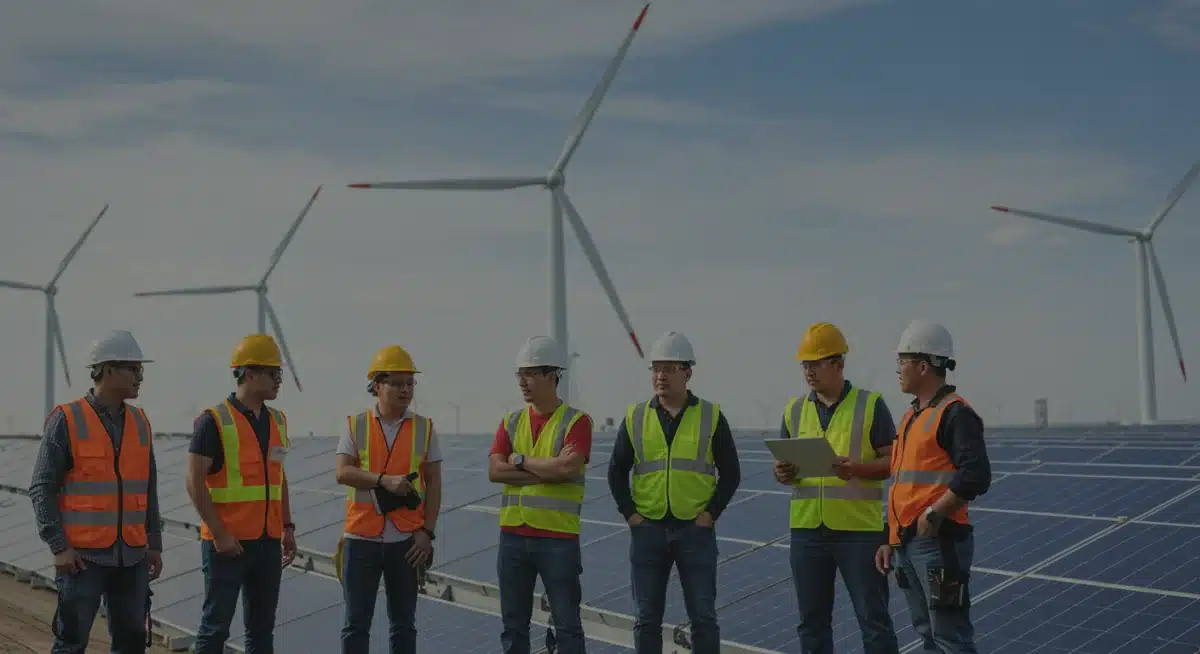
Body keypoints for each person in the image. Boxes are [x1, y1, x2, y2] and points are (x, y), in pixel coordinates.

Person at [29, 329, 163, 654]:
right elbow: (41, 487)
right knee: (71, 644)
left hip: (132, 557)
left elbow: (149, 489)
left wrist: (154, 544)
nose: (140, 376)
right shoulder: (67, 420)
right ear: (108, 370)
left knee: (132, 644)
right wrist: (59, 546)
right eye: (133, 368)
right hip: (82, 559)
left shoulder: (141, 422)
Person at [607, 331, 740, 654]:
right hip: (648, 529)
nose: (660, 376)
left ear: (688, 372)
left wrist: (710, 514)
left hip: (695, 530)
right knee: (646, 619)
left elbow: (732, 473)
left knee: (703, 617)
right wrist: (632, 515)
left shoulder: (710, 416)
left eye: (669, 369)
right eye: (655, 369)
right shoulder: (636, 417)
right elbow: (615, 471)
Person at [773, 322, 900, 654]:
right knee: (811, 623)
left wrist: (856, 470)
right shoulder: (794, 410)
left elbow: (895, 463)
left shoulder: (870, 405)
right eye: (805, 365)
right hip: (806, 532)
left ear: (839, 364)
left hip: (859, 531)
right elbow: (786, 470)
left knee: (873, 621)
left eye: (816, 363)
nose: (809, 372)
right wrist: (783, 473)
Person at [875, 320, 991, 654]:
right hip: (907, 544)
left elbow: (977, 474)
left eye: (902, 361)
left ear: (923, 366)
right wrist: (889, 538)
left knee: (949, 637)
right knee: (927, 633)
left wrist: (935, 515)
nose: (897, 369)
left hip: (938, 544)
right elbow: (902, 487)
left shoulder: (955, 414)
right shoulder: (910, 418)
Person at [187, 333, 297, 654]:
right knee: (215, 628)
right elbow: (194, 482)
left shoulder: (278, 420)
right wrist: (220, 534)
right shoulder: (213, 422)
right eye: (274, 374)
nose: (279, 381)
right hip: (227, 547)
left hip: (266, 544)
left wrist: (287, 527)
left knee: (262, 631)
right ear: (250, 375)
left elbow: (278, 479)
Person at [334, 345, 443, 653]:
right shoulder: (355, 425)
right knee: (355, 625)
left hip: (407, 541)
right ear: (377, 385)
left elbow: (434, 483)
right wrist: (383, 481)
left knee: (404, 625)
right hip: (361, 538)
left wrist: (427, 532)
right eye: (397, 383)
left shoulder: (425, 427)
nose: (405, 389)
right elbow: (342, 472)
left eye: (409, 383)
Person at [488, 336, 593, 654]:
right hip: (512, 538)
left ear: (553, 376)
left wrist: (520, 460)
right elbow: (495, 471)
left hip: (557, 539)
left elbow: (567, 469)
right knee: (513, 627)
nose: (523, 382)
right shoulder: (511, 421)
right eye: (520, 375)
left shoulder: (576, 422)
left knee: (566, 627)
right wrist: (545, 468)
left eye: (531, 374)